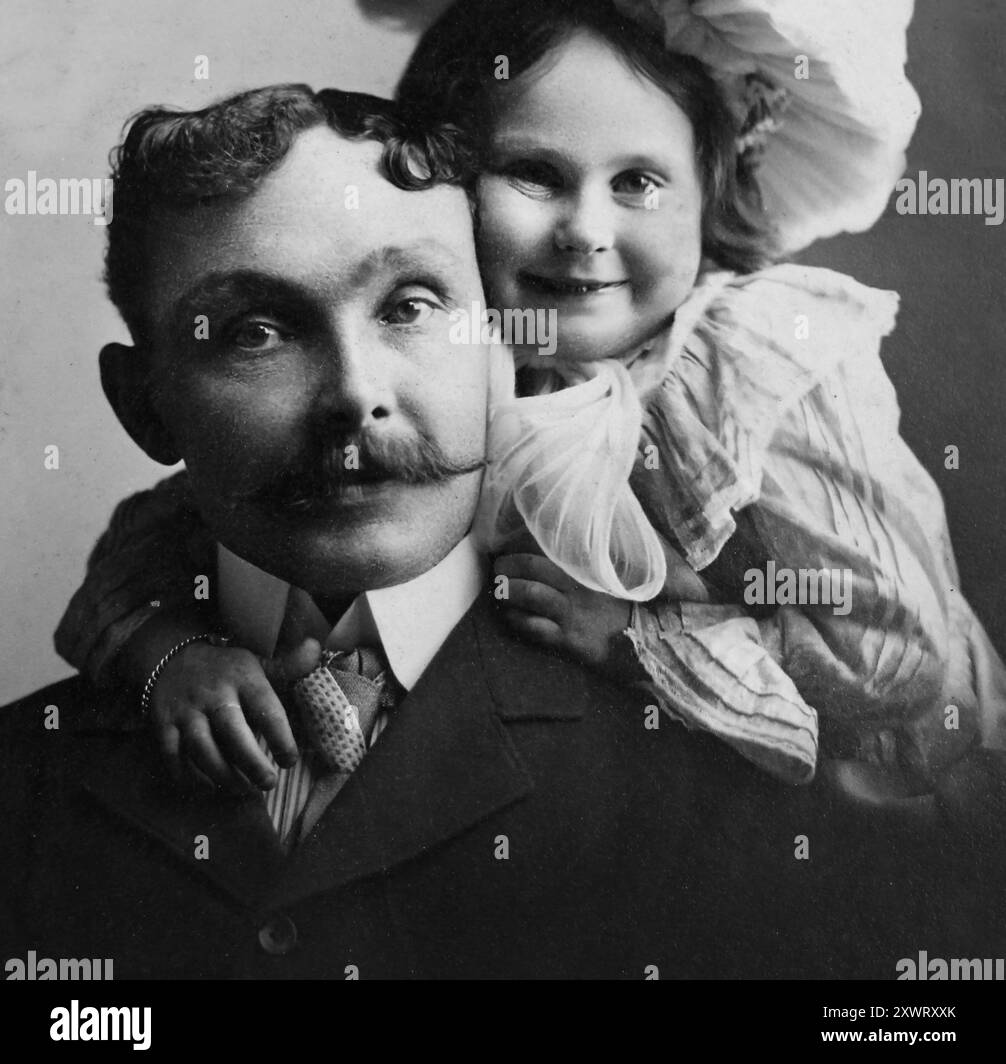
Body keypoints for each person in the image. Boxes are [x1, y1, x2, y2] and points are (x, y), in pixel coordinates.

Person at [56, 0, 1006, 801]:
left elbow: (900, 662)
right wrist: (163, 654)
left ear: (711, 195)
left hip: (857, 797)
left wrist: (642, 640)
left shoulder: (741, 378)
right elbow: (160, 537)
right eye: (535, 175)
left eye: (638, 181)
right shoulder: (443, 367)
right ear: (448, 184)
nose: (584, 232)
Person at [1, 83, 957, 980]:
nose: (355, 397)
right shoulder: (27, 779)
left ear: (509, 337)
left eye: (412, 307)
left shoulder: (720, 766)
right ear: (143, 403)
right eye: (254, 332)